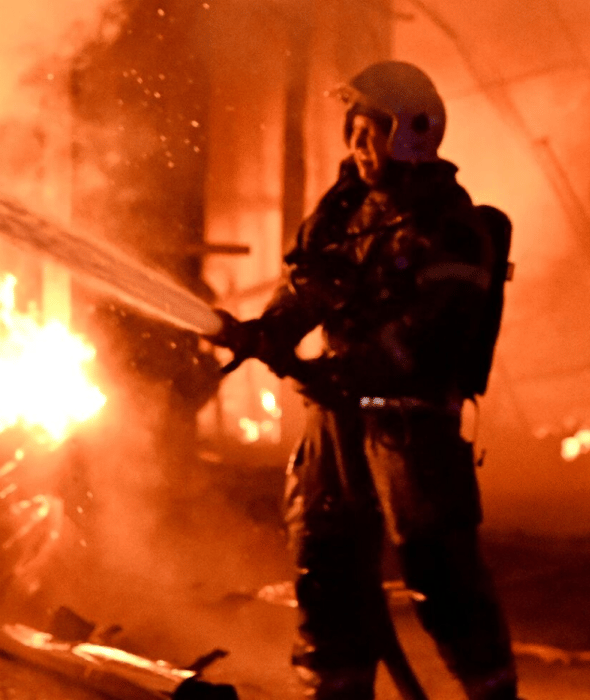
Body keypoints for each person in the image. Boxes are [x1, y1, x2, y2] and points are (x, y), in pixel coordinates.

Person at [210, 61, 518, 700]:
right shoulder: (344, 211)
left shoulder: (452, 227)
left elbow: (429, 334)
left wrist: (345, 371)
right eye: (353, 130)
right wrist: (266, 332)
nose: (357, 145)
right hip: (335, 421)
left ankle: (490, 691)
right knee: (324, 563)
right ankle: (337, 689)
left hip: (411, 426)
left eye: (371, 131)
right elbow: (309, 286)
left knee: (441, 572)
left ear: (412, 134)